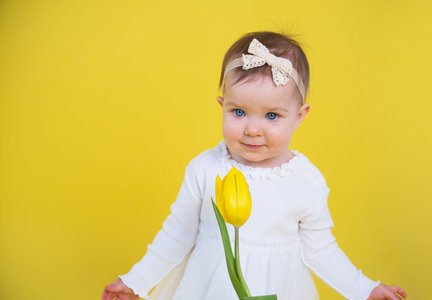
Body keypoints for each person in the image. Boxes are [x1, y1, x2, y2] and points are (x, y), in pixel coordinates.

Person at [102, 31, 407, 300]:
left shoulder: (305, 180)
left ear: (299, 116)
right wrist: (137, 281)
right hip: (210, 290)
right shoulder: (204, 169)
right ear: (223, 106)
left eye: (272, 116)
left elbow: (321, 249)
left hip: (282, 289)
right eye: (239, 112)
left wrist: (364, 288)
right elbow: (176, 235)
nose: (252, 129)